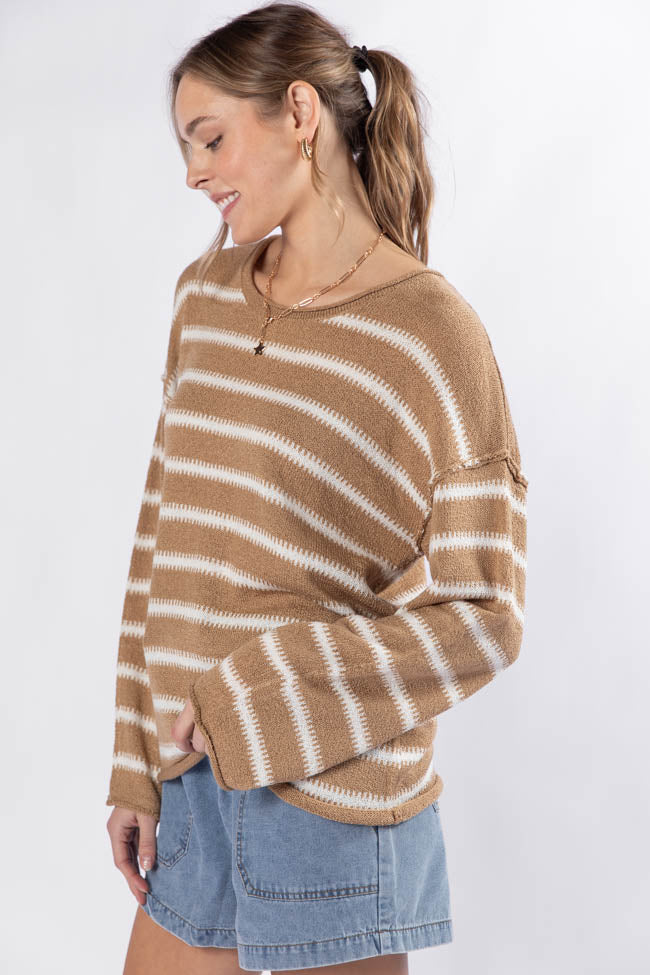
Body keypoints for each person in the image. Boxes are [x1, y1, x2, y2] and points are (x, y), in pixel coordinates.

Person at [105, 3, 529, 973]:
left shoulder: (431, 334)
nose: (193, 172)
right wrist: (134, 764)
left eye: (211, 138)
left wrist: (261, 688)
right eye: (186, 147)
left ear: (298, 113)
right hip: (191, 778)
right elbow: (160, 539)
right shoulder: (203, 300)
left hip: (334, 803)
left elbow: (486, 614)